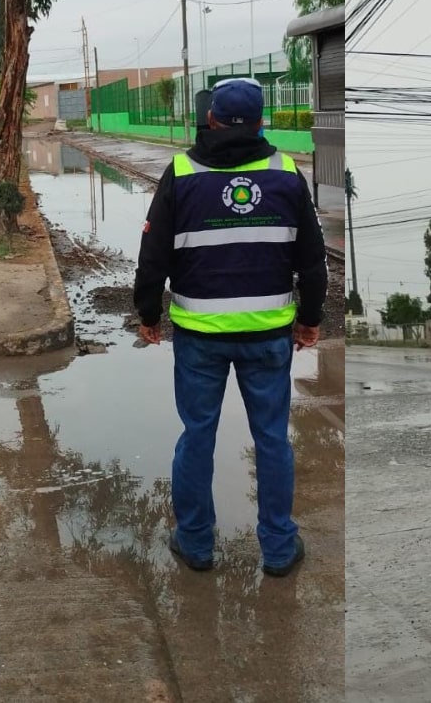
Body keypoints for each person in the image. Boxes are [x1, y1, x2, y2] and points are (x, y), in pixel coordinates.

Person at [134, 77, 327, 578]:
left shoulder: (180, 173)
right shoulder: (287, 174)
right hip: (267, 335)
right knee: (272, 440)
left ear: (212, 118)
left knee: (198, 435)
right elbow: (311, 260)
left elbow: (152, 255)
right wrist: (309, 320)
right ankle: (279, 550)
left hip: (200, 335)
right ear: (262, 121)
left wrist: (149, 314)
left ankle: (196, 546)